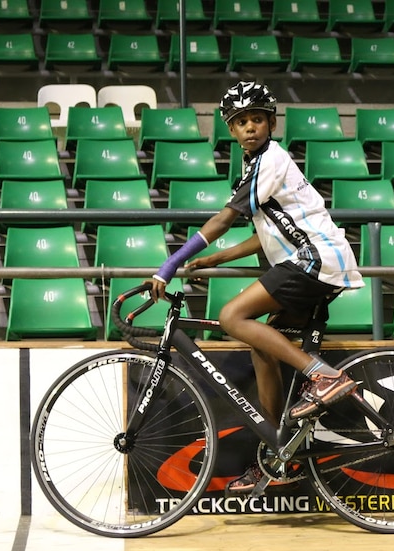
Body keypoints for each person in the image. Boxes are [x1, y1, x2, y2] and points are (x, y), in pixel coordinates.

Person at [146, 81, 365, 493]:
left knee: (231, 316)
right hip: (313, 259)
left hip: (314, 260)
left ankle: (324, 377)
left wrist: (170, 263)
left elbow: (225, 219)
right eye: (242, 121)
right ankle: (280, 453)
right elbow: (265, 234)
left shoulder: (270, 160)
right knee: (262, 348)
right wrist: (216, 258)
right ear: (231, 130)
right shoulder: (258, 167)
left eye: (258, 119)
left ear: (271, 123)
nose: (250, 127)